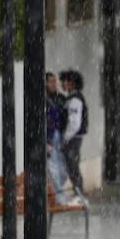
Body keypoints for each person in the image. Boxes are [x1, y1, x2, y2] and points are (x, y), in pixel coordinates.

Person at [59, 69, 88, 200]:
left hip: (73, 138)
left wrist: (65, 138)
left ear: (72, 83)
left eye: (64, 81)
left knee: (72, 165)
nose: (62, 84)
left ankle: (79, 192)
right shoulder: (71, 98)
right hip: (74, 137)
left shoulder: (75, 100)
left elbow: (74, 123)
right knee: (72, 165)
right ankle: (78, 191)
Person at [45, 73, 68, 205]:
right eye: (51, 81)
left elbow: (64, 117)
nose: (54, 84)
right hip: (51, 136)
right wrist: (47, 140)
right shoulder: (45, 99)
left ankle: (55, 193)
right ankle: (59, 198)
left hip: (60, 135)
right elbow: (49, 120)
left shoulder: (60, 99)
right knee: (53, 168)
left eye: (55, 81)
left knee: (63, 170)